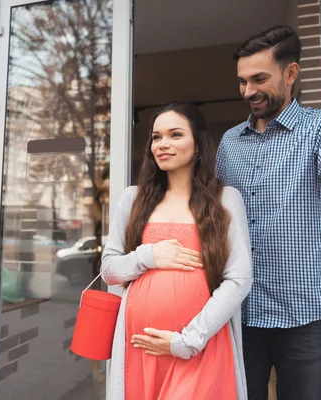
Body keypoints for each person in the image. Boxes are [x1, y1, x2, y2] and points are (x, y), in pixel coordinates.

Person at [215, 25, 321, 399]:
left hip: (303, 313)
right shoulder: (228, 143)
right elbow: (214, 220)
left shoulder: (320, 129)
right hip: (241, 309)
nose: (248, 91)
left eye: (259, 79)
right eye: (242, 81)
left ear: (291, 74)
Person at [101, 102, 253, 400]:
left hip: (198, 345)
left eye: (175, 134)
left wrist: (187, 340)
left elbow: (239, 279)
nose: (163, 144)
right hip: (140, 347)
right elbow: (109, 270)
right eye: (156, 137)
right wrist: (148, 256)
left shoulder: (225, 200)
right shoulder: (133, 199)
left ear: (198, 146)